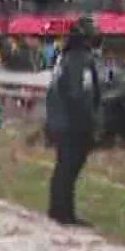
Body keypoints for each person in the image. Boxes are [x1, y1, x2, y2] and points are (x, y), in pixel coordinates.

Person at [45, 17, 103, 227]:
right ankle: (63, 212)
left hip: (60, 118)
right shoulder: (80, 59)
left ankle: (59, 209)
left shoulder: (65, 56)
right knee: (69, 167)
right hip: (72, 121)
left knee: (64, 167)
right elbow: (81, 93)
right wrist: (91, 122)